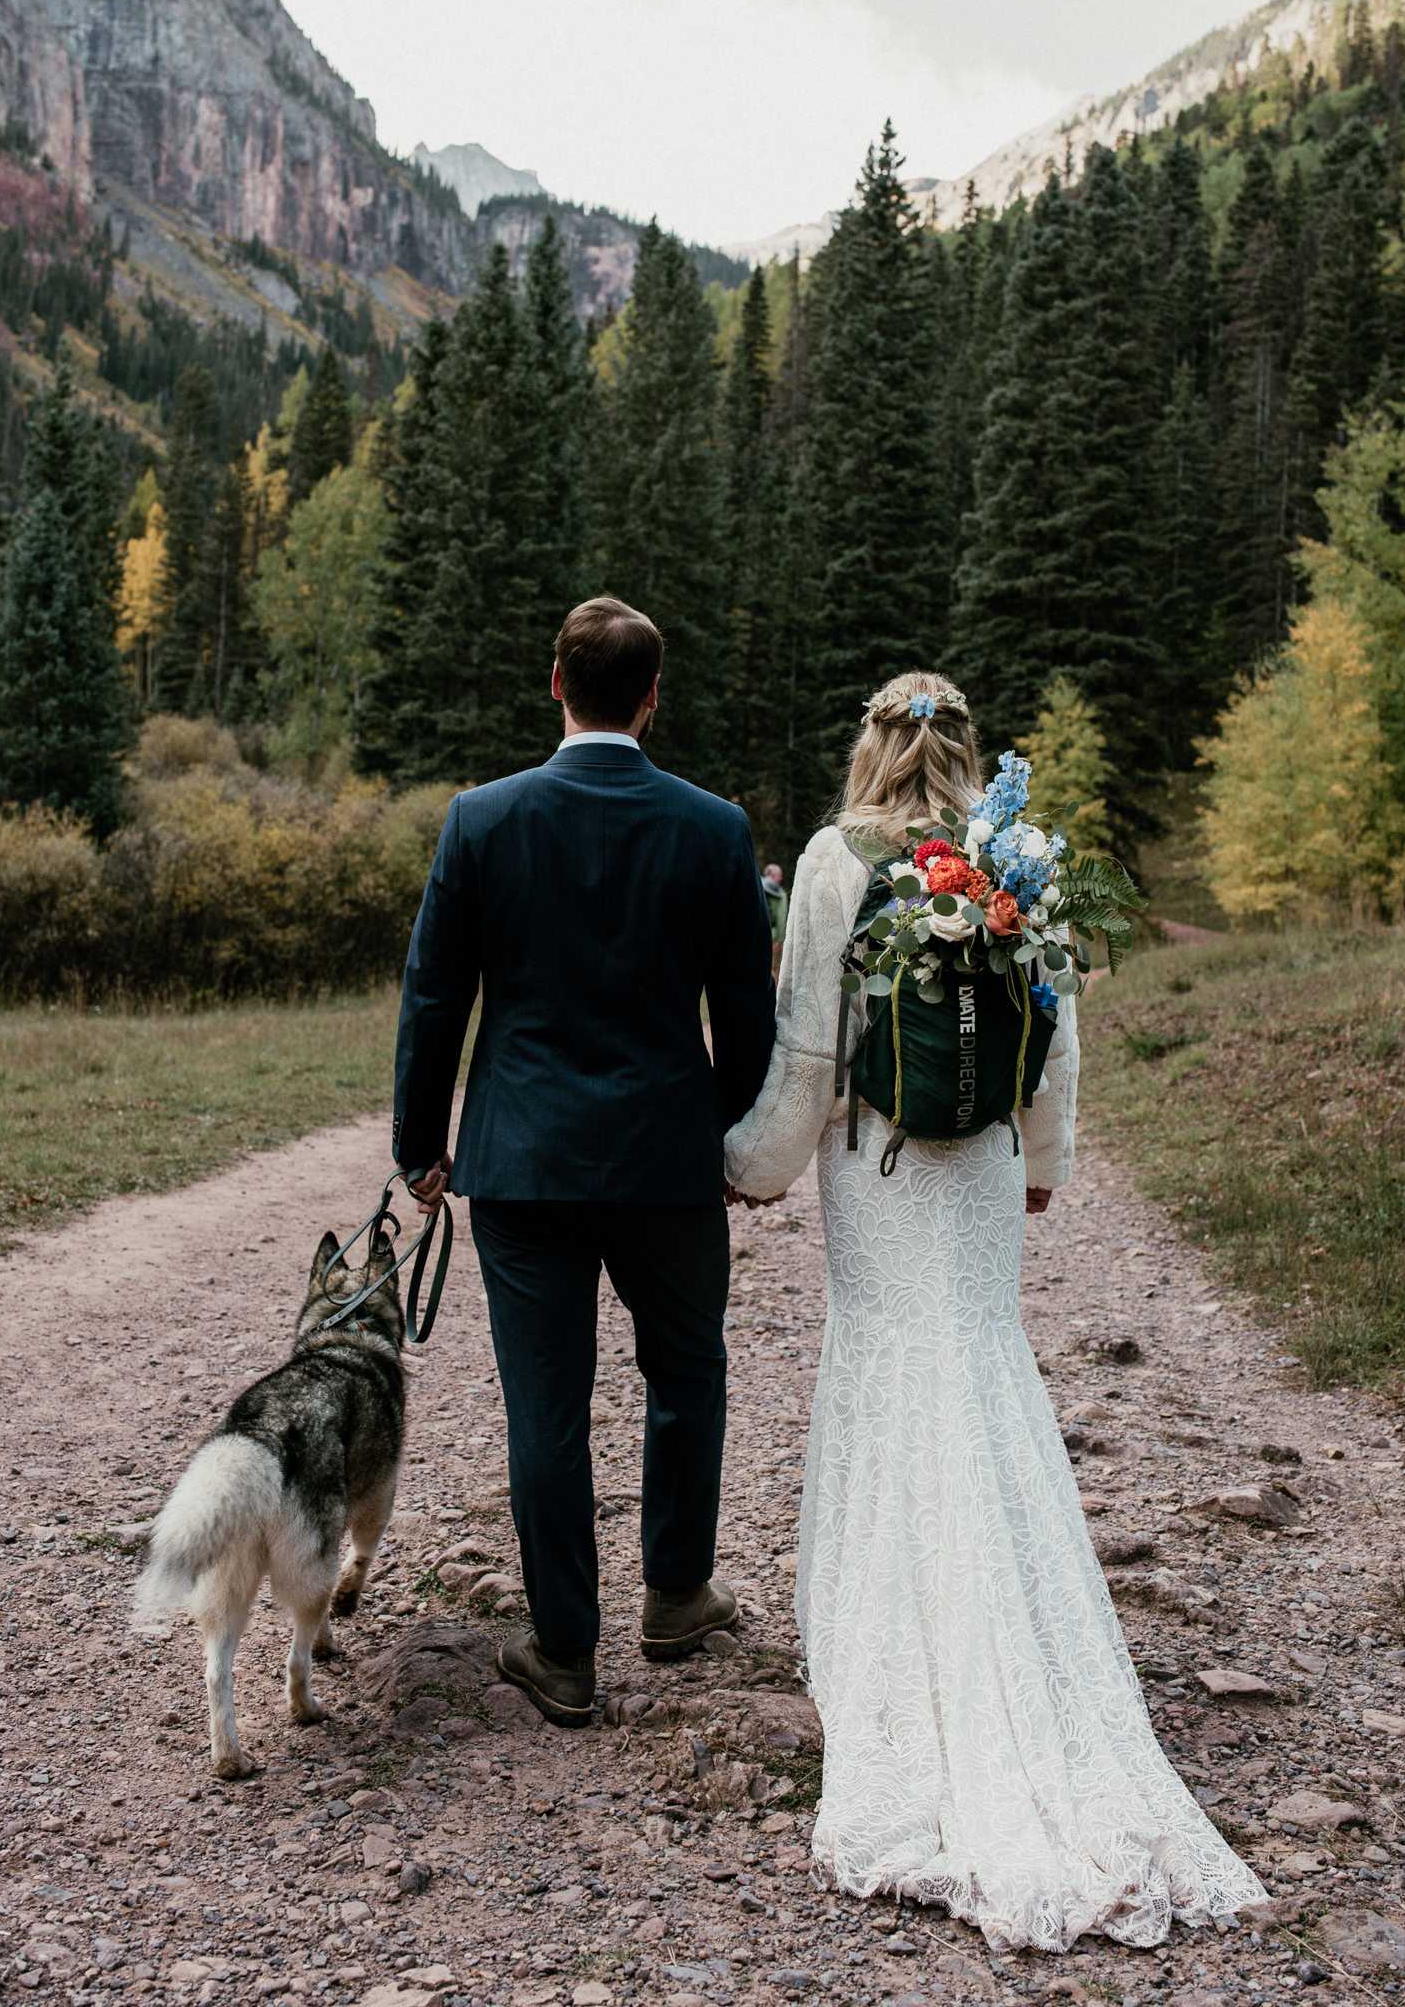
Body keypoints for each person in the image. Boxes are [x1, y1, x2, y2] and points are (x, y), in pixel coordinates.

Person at [722, 671, 1266, 1953]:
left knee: (891, 1359)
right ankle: (1018, 1622)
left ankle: (903, 1649)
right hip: (969, 1171)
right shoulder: (1011, 855)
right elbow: (1054, 1033)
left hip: (879, 1160)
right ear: (965, 753)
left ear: (870, 748)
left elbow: (809, 1050)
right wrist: (1040, 1167)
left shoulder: (835, 859)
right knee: (977, 1357)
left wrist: (745, 1169)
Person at [392, 596, 776, 1727]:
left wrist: (421, 1145)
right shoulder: (714, 828)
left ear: (555, 685)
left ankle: (563, 1651)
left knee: (546, 1406)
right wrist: (733, 1135)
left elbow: (434, 996)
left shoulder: (481, 820)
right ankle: (674, 1595)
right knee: (686, 1374)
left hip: (525, 1164)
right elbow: (744, 1012)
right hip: (668, 1160)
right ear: (652, 698)